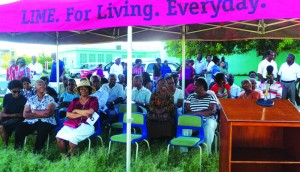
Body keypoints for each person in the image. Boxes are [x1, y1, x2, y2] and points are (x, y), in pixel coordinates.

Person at [56, 79, 99, 156]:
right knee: (59, 137)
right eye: (81, 88)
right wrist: (83, 114)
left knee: (72, 140)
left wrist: (75, 110)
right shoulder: (75, 100)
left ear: (89, 90)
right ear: (79, 90)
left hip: (87, 125)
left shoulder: (93, 99)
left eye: (86, 88)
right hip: (72, 123)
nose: (83, 90)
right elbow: (68, 115)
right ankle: (65, 157)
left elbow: (90, 112)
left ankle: (74, 160)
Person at [14, 80, 57, 153]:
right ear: (35, 87)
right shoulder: (31, 99)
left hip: (47, 121)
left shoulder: (50, 99)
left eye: (44, 85)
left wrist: (33, 111)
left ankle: (37, 152)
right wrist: (41, 114)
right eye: (40, 85)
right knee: (19, 128)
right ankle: (18, 151)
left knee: (42, 129)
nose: (42, 86)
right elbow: (25, 114)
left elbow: (48, 113)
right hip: (31, 121)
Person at [185, 77, 218, 154]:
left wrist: (196, 113)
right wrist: (202, 112)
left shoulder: (210, 96)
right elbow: (187, 111)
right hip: (193, 120)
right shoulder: (191, 96)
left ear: (202, 87)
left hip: (208, 119)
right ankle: (184, 152)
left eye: (196, 85)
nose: (194, 87)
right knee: (185, 129)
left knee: (208, 127)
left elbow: (212, 111)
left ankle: (206, 153)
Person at [0, 80, 27, 146]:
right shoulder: (7, 97)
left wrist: (7, 115)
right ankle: (5, 143)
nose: (17, 93)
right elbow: (3, 111)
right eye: (14, 91)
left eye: (19, 91)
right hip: (7, 118)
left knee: (2, 126)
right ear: (10, 90)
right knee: (1, 126)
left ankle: (5, 144)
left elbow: (22, 115)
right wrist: (2, 116)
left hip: (18, 120)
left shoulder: (24, 99)